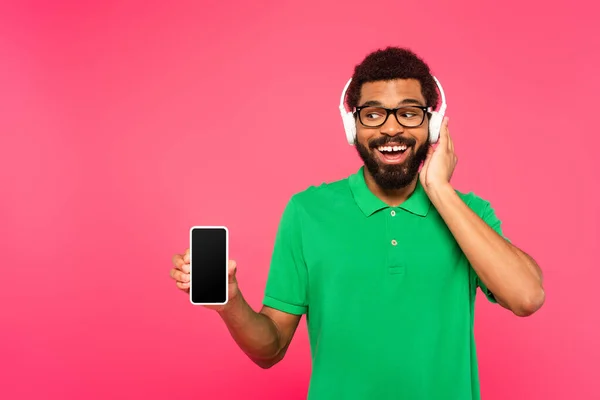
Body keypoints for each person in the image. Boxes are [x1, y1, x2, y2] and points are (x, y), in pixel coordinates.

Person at [169, 46, 545, 400]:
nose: (391, 129)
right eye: (373, 114)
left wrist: (440, 191)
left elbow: (527, 297)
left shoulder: (468, 213)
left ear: (432, 126)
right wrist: (230, 303)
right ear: (353, 127)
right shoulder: (307, 212)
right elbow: (270, 349)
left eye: (409, 113)